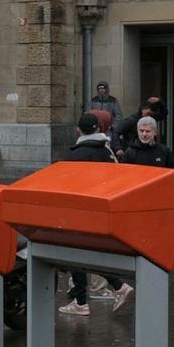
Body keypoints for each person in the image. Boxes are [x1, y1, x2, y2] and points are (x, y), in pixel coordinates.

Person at [59, 114, 117, 316]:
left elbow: (66, 185)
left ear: (79, 130)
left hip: (80, 213)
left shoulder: (77, 154)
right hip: (101, 211)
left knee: (76, 256)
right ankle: (113, 288)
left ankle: (82, 301)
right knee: (88, 255)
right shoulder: (106, 151)